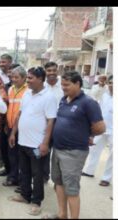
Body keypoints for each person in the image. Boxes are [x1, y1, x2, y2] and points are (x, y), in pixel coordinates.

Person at [47, 71, 105, 219]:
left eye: (67, 85)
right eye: (62, 85)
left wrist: (87, 135)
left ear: (78, 84)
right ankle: (62, 214)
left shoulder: (88, 103)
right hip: (58, 149)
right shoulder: (63, 100)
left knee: (71, 188)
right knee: (58, 183)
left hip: (74, 152)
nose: (64, 88)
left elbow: (100, 127)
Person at [8, 67, 57, 216]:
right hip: (23, 142)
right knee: (25, 171)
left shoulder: (49, 96)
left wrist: (45, 143)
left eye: (30, 78)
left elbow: (50, 122)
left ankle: (36, 202)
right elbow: (19, 114)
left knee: (37, 173)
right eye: (27, 77)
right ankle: (25, 195)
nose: (27, 81)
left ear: (41, 79)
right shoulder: (27, 94)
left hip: (37, 144)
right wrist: (13, 133)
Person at [82, 75, 113, 187]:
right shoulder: (104, 95)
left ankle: (106, 178)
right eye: (111, 83)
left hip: (114, 131)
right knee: (94, 149)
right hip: (102, 127)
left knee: (113, 155)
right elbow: (93, 98)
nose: (112, 85)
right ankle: (89, 171)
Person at [2, 66, 28, 191]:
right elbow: (9, 107)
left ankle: (23, 181)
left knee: (22, 155)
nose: (14, 79)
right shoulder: (11, 89)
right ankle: (13, 177)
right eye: (12, 77)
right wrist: (7, 124)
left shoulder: (28, 90)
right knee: (11, 153)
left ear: (24, 78)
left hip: (22, 128)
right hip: (11, 126)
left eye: (17, 77)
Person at [43, 61, 64, 183]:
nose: (51, 73)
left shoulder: (64, 85)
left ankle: (58, 179)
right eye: (49, 71)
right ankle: (44, 176)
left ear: (58, 71)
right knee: (44, 150)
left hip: (60, 123)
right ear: (45, 72)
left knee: (58, 152)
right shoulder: (41, 86)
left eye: (54, 70)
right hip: (45, 123)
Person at [0, 54, 13, 177]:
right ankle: (7, 169)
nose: (2, 64)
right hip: (2, 115)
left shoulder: (19, 85)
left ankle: (14, 173)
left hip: (14, 119)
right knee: (3, 145)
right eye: (0, 62)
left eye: (4, 62)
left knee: (13, 148)